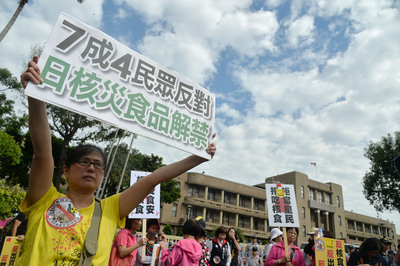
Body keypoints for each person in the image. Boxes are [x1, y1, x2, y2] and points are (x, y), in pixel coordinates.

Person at [17, 56, 217, 265]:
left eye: (98, 164)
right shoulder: (44, 200)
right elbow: (42, 153)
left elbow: (152, 179)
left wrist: (198, 158)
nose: (91, 168)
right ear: (65, 170)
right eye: (84, 162)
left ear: (103, 173)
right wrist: (35, 96)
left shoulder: (111, 208)